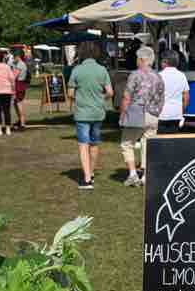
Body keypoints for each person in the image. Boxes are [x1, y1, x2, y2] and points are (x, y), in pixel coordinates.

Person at [67, 41, 113, 190]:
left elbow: (70, 93)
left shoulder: (77, 70)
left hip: (82, 113)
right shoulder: (102, 70)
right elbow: (110, 92)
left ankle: (87, 179)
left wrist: (80, 98)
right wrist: (100, 98)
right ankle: (91, 173)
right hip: (98, 112)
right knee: (94, 143)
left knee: (83, 145)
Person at [120, 46, 165, 187]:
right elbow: (161, 98)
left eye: (137, 58)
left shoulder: (135, 75)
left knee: (127, 143)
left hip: (136, 113)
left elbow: (127, 96)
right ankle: (146, 176)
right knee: (148, 144)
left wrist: (122, 114)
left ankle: (133, 174)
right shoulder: (158, 76)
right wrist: (157, 113)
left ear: (141, 59)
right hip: (153, 114)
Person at [158, 51, 189, 135]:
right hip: (176, 114)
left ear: (165, 62)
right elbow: (186, 97)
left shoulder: (159, 76)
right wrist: (182, 111)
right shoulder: (182, 75)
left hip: (161, 114)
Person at [11, 49, 29, 130]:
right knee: (16, 103)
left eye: (14, 57)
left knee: (19, 104)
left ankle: (22, 122)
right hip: (20, 84)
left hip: (19, 84)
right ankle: (20, 120)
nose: (13, 58)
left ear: (18, 56)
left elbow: (14, 76)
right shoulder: (20, 64)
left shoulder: (20, 64)